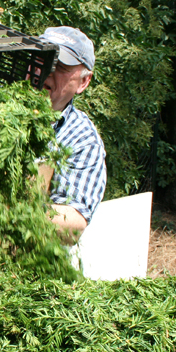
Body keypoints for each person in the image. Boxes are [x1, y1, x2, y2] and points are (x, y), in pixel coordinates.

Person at [39, 26, 107, 243]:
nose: (48, 70)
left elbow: (74, 221)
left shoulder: (81, 138)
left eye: (61, 66)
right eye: (45, 58)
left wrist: (9, 214)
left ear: (83, 82)